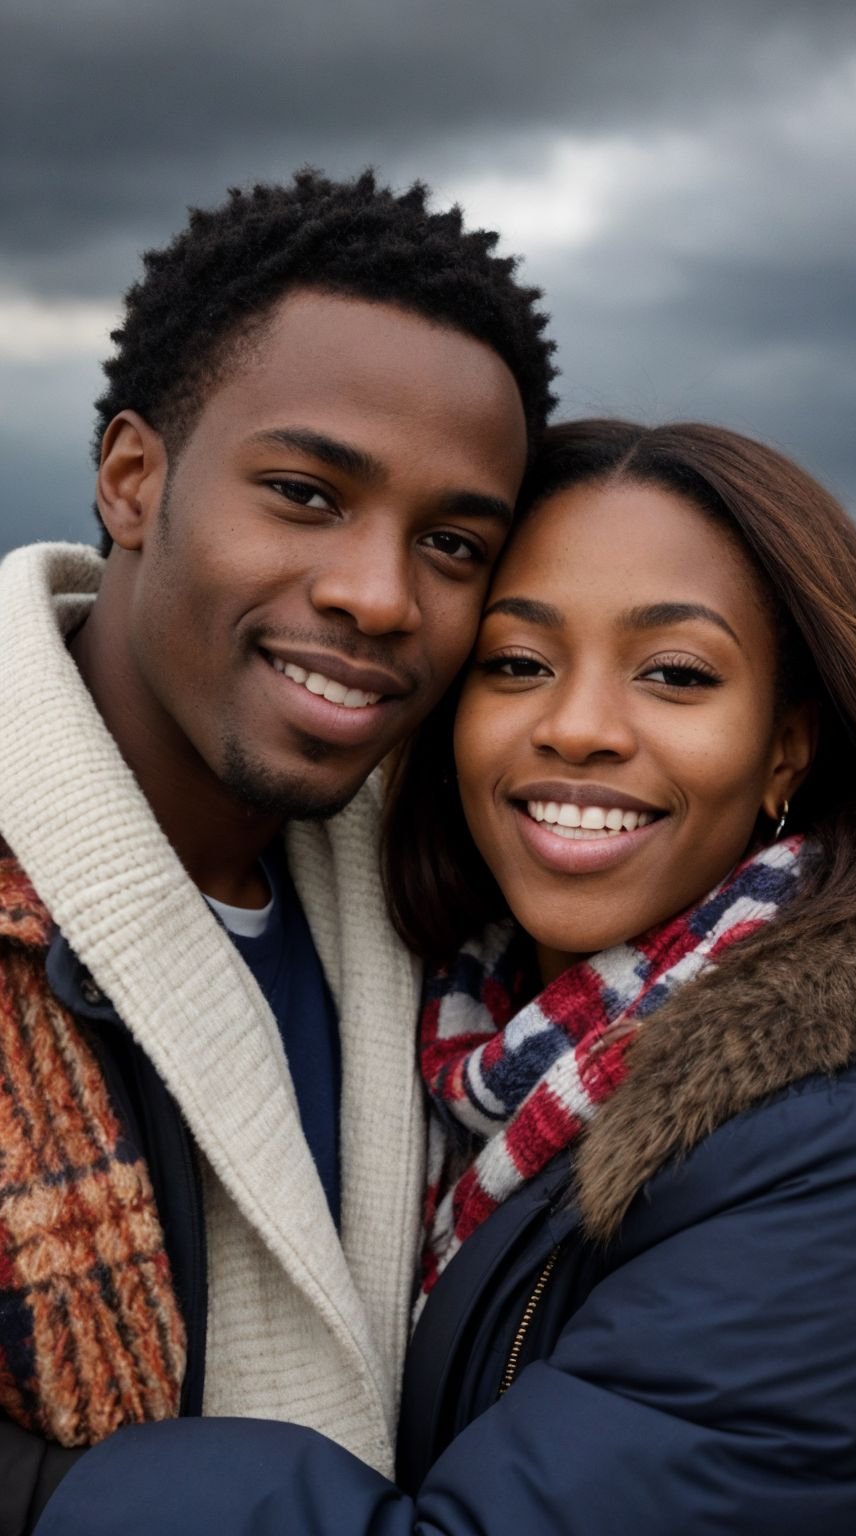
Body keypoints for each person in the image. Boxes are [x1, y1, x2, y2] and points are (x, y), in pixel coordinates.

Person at [44, 419, 856, 1533]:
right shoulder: (478, 1053)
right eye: (517, 664)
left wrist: (51, 1489)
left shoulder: (850, 1168)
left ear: (784, 750)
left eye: (674, 674)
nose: (579, 728)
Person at [0, 167, 557, 1530]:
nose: (378, 594)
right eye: (307, 493)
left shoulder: (472, 909)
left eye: (450, 540)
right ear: (134, 480)